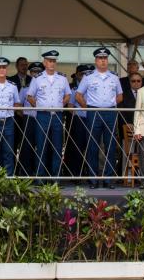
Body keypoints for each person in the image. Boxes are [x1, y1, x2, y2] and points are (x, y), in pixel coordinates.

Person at [75, 47, 123, 189]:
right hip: (93, 112)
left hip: (110, 112)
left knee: (110, 146)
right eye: (100, 58)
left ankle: (108, 179)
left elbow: (120, 96)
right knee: (92, 146)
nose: (103, 61)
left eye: (105, 58)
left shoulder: (114, 77)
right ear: (96, 60)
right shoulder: (88, 77)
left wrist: (111, 103)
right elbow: (78, 95)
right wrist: (88, 108)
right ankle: (93, 179)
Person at [27, 50, 71, 181]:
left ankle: (56, 178)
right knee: (41, 147)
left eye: (54, 61)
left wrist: (61, 105)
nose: (52, 63)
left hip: (57, 115)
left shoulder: (62, 78)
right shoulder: (37, 78)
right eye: (49, 61)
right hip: (42, 115)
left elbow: (68, 95)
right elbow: (30, 96)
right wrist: (39, 106)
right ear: (44, 62)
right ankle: (40, 178)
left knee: (57, 147)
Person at [65, 64, 94, 179]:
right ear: (77, 76)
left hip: (94, 119)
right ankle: (76, 175)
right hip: (80, 120)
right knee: (78, 148)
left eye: (88, 74)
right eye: (83, 74)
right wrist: (80, 113)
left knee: (92, 147)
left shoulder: (94, 86)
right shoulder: (74, 89)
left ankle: (91, 174)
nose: (85, 76)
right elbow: (70, 106)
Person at [17, 61, 44, 176]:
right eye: (33, 72)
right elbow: (18, 106)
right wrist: (26, 115)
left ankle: (42, 174)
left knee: (43, 147)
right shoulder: (25, 88)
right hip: (29, 119)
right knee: (27, 147)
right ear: (30, 73)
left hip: (44, 118)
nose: (36, 74)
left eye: (39, 72)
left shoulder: (46, 86)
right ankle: (26, 174)